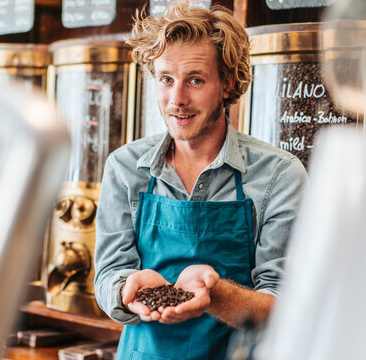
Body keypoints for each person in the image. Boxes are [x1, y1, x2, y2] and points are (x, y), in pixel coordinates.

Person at [93, 3, 308, 359]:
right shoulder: (124, 167)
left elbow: (286, 307)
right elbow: (109, 273)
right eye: (166, 79)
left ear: (228, 83)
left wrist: (216, 293)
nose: (177, 99)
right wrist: (125, 290)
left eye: (195, 79)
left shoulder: (279, 176)